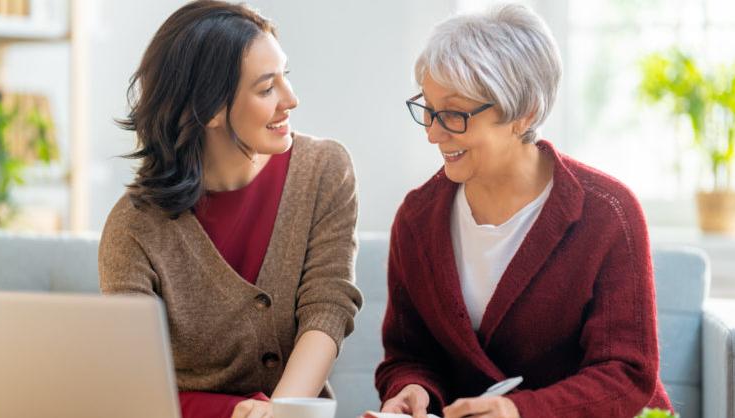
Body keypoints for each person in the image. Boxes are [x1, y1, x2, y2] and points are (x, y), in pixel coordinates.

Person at [374, 4, 673, 418]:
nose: (432, 133)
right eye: (427, 108)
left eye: (455, 114)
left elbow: (627, 375)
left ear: (524, 113)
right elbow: (408, 355)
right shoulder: (417, 219)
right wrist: (412, 388)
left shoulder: (608, 212)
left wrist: (519, 412)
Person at [98, 2, 362, 418]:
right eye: (265, 88)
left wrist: (279, 412)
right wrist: (232, 411)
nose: (291, 100)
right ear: (209, 110)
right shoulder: (133, 228)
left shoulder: (325, 170)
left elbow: (328, 306)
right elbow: (135, 385)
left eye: (285, 76)